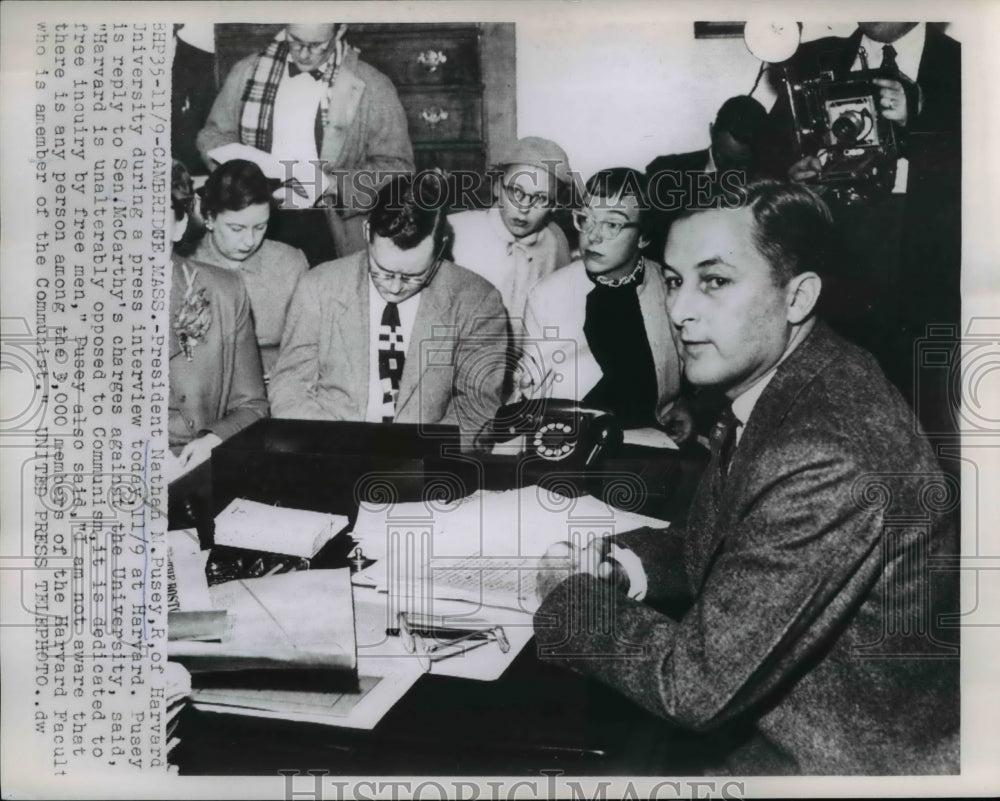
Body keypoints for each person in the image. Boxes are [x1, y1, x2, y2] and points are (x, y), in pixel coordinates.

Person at [532, 180, 959, 775]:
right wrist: (618, 564)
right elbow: (731, 545)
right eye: (675, 281)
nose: (678, 310)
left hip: (833, 768)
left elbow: (691, 686)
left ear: (797, 296)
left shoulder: (826, 452)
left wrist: (563, 598)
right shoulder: (795, 382)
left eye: (715, 281)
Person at [763, 23, 960, 444]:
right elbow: (764, 165)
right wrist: (794, 180)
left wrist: (920, 116)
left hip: (931, 281)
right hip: (834, 278)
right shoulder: (809, 60)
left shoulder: (965, 61)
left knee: (926, 432)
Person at [269, 172, 509, 451]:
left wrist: (415, 453)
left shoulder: (477, 300)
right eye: (382, 271)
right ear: (367, 232)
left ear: (441, 246)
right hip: (330, 454)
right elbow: (289, 388)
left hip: (426, 463)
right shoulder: (318, 286)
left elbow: (477, 407)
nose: (394, 288)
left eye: (413, 276)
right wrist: (336, 444)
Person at [196, 23, 414, 256]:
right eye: (295, 41)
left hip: (329, 228)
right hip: (256, 219)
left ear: (340, 31)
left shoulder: (372, 86)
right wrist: (242, 175)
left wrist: (330, 185)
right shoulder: (247, 72)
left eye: (316, 45)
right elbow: (213, 136)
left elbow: (398, 171)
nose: (303, 53)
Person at [518, 168, 685, 436]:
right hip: (572, 439)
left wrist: (684, 406)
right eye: (586, 219)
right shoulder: (547, 296)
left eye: (612, 224)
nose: (592, 236)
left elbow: (687, 369)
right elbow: (531, 393)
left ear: (644, 236)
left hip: (656, 438)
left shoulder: (669, 286)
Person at [168, 161, 269, 479]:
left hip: (190, 465)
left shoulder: (226, 291)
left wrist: (213, 439)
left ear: (180, 224)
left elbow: (252, 406)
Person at [189, 159, 308, 380]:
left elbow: (306, 348)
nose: (249, 240)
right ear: (209, 218)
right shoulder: (185, 267)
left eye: (260, 227)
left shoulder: (290, 263)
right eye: (236, 228)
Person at [448, 137, 575, 339]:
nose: (524, 208)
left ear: (555, 204)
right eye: (516, 192)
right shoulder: (456, 231)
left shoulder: (555, 242)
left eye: (540, 198)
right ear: (497, 187)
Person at [645, 95, 771, 259]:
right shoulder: (666, 171)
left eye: (740, 165)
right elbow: (650, 240)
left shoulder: (767, 181)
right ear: (712, 131)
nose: (730, 171)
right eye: (724, 158)